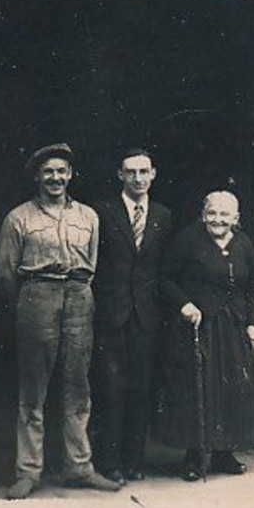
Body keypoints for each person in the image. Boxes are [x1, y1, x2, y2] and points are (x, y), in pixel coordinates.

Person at [0, 143, 121, 499]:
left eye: (61, 171)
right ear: (37, 176)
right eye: (48, 171)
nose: (55, 178)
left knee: (77, 387)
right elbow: (6, 275)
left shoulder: (89, 216)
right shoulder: (19, 218)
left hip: (80, 297)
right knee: (33, 390)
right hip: (37, 298)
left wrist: (75, 290)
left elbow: (93, 264)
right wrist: (31, 299)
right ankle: (28, 471)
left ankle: (79, 467)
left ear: (70, 175)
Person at [156, 190, 254, 481]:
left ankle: (223, 452)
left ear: (236, 218)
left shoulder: (244, 244)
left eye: (225, 214)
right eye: (212, 213)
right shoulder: (188, 240)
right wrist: (184, 304)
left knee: (232, 388)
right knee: (197, 386)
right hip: (198, 325)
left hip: (233, 328)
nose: (218, 219)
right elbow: (165, 278)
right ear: (204, 215)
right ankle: (194, 455)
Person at [90, 147, 172, 485]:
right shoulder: (103, 212)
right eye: (131, 172)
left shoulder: (164, 215)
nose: (138, 178)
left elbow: (165, 267)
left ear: (153, 175)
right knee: (110, 388)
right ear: (120, 175)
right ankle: (109, 462)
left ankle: (134, 460)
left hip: (147, 315)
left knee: (141, 388)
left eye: (144, 172)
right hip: (112, 312)